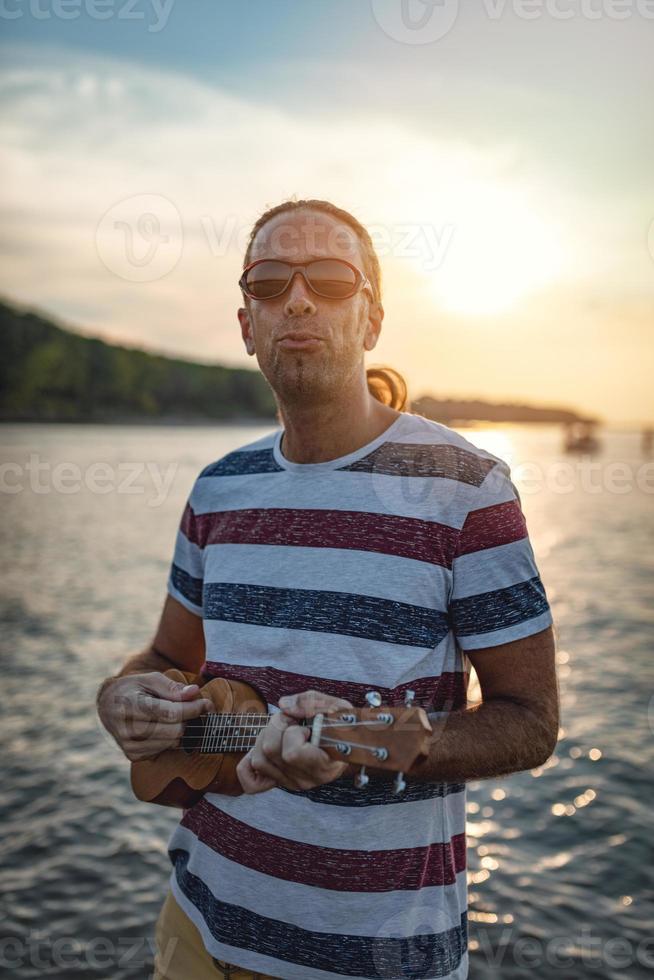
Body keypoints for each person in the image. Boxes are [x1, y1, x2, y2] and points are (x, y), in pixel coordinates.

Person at [97, 198, 559, 980]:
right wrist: (120, 697)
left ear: (372, 320)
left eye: (332, 281)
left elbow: (531, 721)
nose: (299, 300)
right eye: (270, 283)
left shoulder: (464, 488)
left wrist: (367, 746)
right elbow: (165, 656)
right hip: (196, 925)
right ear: (247, 327)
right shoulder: (219, 489)